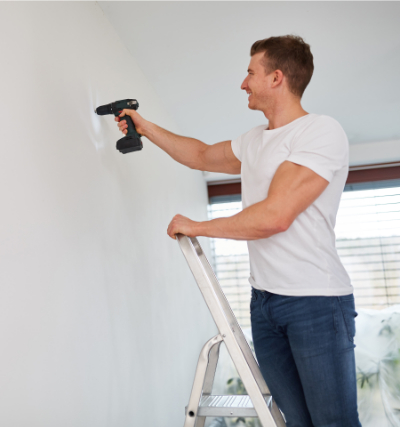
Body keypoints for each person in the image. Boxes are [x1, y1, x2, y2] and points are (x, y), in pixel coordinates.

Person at [116, 35, 361, 427]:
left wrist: (197, 226)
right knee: (297, 422)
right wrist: (145, 128)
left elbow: (275, 216)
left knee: (333, 424)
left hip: (315, 303)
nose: (243, 83)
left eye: (251, 73)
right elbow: (198, 154)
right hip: (265, 303)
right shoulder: (254, 141)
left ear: (277, 77)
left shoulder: (318, 132)